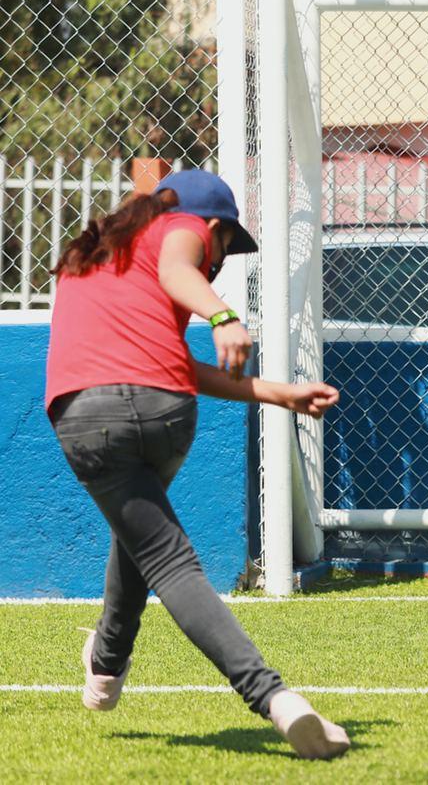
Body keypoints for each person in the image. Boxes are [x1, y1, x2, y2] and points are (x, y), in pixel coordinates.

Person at [46, 169, 350, 760]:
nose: (219, 263)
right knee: (157, 551)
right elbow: (179, 269)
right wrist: (223, 316)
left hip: (90, 414)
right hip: (161, 416)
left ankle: (265, 697)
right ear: (207, 224)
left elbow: (165, 357)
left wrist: (277, 393)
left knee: (152, 546)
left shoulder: (88, 260)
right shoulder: (180, 230)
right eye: (225, 247)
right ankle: (111, 664)